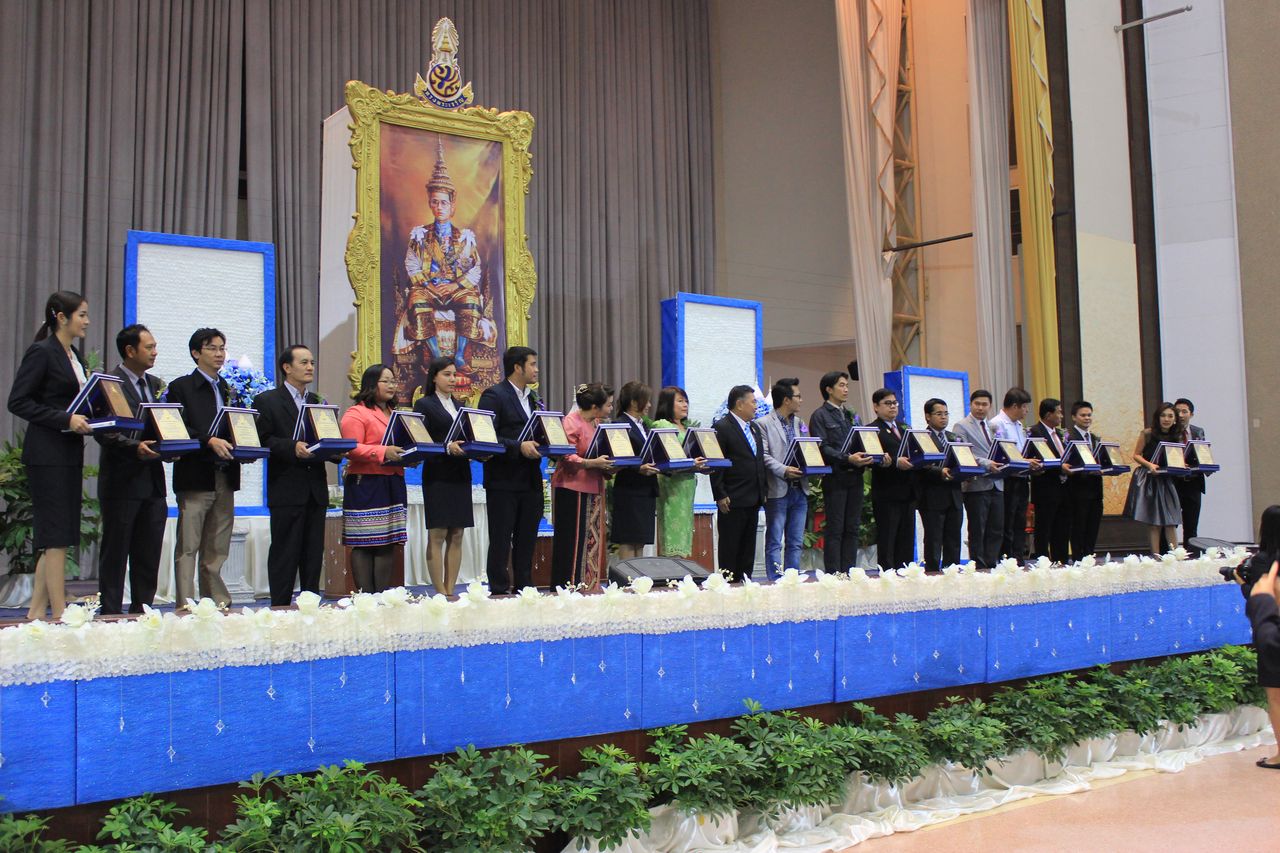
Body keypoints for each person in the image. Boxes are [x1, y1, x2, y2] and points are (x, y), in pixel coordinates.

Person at [7, 291, 92, 620]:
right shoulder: (42, 352)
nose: (86, 321)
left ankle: (34, 613)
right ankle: (60, 615)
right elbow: (18, 401)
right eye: (81, 315)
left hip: (69, 451)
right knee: (54, 534)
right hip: (47, 453)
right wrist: (65, 419)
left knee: (62, 534)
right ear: (61, 317)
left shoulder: (74, 356)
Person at [254, 345, 334, 607]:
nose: (310, 367)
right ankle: (279, 607)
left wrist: (336, 447)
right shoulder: (267, 400)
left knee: (313, 553)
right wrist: (292, 447)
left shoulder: (317, 402)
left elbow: (326, 437)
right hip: (286, 487)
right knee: (285, 552)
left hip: (315, 489)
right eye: (304, 362)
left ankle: (311, 606)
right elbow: (262, 439)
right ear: (287, 367)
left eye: (312, 362)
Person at [94, 324, 167, 615]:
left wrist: (173, 445)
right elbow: (103, 430)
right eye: (149, 347)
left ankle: (143, 610)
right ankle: (110, 613)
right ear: (130, 350)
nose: (155, 352)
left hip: (153, 481)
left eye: (154, 346)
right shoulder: (109, 383)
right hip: (121, 481)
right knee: (116, 551)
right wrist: (133, 447)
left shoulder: (156, 384)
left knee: (149, 551)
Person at [166, 328, 240, 608]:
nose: (219, 354)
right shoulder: (181, 387)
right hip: (195, 475)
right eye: (212, 348)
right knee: (189, 544)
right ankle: (185, 603)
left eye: (222, 348)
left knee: (218, 545)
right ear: (196, 353)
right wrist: (208, 440)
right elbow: (177, 427)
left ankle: (215, 601)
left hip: (225, 474)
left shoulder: (228, 388)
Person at [401, 139, 485, 370]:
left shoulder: (465, 237)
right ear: (430, 204)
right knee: (417, 300)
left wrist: (456, 286)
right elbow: (412, 264)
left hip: (454, 289)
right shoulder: (420, 235)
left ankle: (459, 355)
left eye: (443, 203)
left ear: (452, 205)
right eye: (435, 202)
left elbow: (475, 268)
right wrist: (428, 286)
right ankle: (436, 355)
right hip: (429, 288)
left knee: (470, 300)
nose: (439, 207)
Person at [477, 346, 544, 594]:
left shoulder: (534, 398)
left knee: (527, 536)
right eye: (532, 364)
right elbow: (484, 435)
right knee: (501, 537)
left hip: (531, 478)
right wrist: (518, 446)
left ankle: (524, 585)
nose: (536, 369)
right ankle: (499, 588)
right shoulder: (494, 395)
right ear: (517, 367)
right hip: (503, 479)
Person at [339, 364, 407, 593]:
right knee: (365, 542)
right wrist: (383, 452)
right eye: (385, 381)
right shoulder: (356, 413)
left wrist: (410, 455)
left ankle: (382, 597)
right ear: (371, 384)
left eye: (393, 381)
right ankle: (366, 598)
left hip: (393, 481)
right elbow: (351, 448)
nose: (391, 385)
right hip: (366, 483)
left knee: (387, 542)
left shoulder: (396, 413)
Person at [413, 356, 474, 595]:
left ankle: (451, 589)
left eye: (454, 374)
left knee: (457, 534)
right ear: (434, 377)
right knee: (437, 533)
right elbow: (420, 441)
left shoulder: (460, 406)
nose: (452, 379)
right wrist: (446, 447)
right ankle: (439, 591)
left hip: (460, 473)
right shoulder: (424, 405)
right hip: (437, 473)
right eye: (447, 374)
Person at [807, 371, 875, 572]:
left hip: (855, 476)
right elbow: (823, 447)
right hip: (836, 477)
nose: (846, 389)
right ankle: (834, 574)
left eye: (847, 386)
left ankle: (850, 571)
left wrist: (870, 455)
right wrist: (847, 458)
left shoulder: (851, 414)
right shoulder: (820, 415)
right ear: (829, 389)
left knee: (852, 527)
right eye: (841, 385)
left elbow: (861, 439)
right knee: (836, 528)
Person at [550, 383, 615, 590]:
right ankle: (567, 587)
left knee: (591, 540)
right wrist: (592, 463)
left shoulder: (596, 423)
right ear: (595, 407)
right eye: (608, 405)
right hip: (571, 488)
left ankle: (589, 585)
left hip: (593, 487)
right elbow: (565, 456)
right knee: (571, 541)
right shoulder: (571, 421)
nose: (611, 409)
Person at [710, 385, 766, 581]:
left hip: (753, 496)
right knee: (730, 547)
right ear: (740, 404)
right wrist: (720, 493)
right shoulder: (722, 427)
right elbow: (716, 463)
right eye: (753, 402)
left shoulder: (754, 428)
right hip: (732, 498)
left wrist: (763, 490)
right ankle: (729, 586)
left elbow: (758, 461)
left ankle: (745, 583)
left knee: (747, 548)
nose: (756, 406)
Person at [1239, 505, 1280, 769]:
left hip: (1274, 633)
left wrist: (1240, 582)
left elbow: (1257, 596)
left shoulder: (1262, 561)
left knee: (1276, 698)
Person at [758, 378, 808, 578]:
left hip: (800, 488)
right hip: (777, 488)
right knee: (775, 540)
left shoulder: (800, 423)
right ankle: (776, 580)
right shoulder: (763, 423)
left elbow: (807, 449)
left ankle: (792, 579)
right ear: (786, 400)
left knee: (796, 541)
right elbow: (763, 456)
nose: (801, 400)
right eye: (798, 396)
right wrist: (784, 469)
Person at [952, 389, 1006, 569]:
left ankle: (992, 563)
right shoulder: (961, 426)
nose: (981, 408)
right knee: (978, 528)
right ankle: (979, 565)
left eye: (984, 404)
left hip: (997, 483)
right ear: (971, 404)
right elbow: (963, 453)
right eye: (977, 404)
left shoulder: (993, 427)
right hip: (976, 484)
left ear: (990, 406)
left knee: (996, 528)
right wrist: (986, 463)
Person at [1122, 401, 1183, 556]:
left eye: (1170, 416)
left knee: (1170, 521)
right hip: (1150, 479)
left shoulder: (1177, 436)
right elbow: (1136, 455)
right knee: (1154, 522)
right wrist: (1149, 465)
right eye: (1163, 415)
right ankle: (1156, 557)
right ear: (1158, 417)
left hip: (1167, 480)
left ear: (1175, 419)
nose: (1166, 419)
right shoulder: (1147, 433)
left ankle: (1176, 557)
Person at [652, 386, 705, 559]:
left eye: (686, 401)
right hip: (672, 485)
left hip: (687, 484)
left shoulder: (686, 427)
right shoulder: (663, 425)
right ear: (667, 404)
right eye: (680, 401)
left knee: (684, 530)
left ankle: (680, 567)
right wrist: (691, 463)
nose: (685, 405)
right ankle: (671, 568)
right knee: (672, 529)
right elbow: (672, 456)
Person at [611, 381, 661, 560]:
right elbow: (618, 455)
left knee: (640, 541)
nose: (649, 405)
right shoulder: (619, 424)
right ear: (633, 402)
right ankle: (627, 576)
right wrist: (638, 468)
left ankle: (638, 577)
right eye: (646, 401)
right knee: (628, 539)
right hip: (629, 489)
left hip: (645, 489)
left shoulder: (643, 426)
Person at [868, 387, 916, 571]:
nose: (893, 407)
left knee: (906, 538)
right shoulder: (872, 429)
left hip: (908, 490)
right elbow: (871, 457)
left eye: (895, 403)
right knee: (888, 538)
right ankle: (887, 575)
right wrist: (895, 461)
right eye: (887, 403)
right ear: (876, 407)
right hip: (887, 492)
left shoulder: (905, 428)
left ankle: (906, 572)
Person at [990, 387, 1040, 561]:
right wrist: (1025, 461)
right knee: (1008, 521)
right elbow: (1003, 453)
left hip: (1022, 477)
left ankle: (1018, 557)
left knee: (1020, 520)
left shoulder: (1019, 425)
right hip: (1007, 479)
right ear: (1014, 406)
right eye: (1024, 407)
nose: (1027, 411)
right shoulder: (997, 424)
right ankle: (1007, 558)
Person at [916, 398, 963, 573]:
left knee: (953, 538)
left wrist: (968, 471)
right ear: (928, 416)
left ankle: (953, 572)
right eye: (939, 414)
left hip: (954, 495)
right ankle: (933, 573)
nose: (943, 417)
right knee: (934, 539)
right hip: (932, 496)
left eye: (946, 414)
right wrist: (939, 471)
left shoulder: (954, 438)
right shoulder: (922, 437)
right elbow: (919, 465)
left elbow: (962, 460)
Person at [1028, 398, 1071, 563]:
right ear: (1048, 414)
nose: (1061, 415)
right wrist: (1060, 466)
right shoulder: (1035, 432)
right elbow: (1038, 458)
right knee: (1044, 528)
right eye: (1058, 412)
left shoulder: (1060, 433)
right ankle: (1043, 563)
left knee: (1062, 527)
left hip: (1064, 487)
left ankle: (1061, 561)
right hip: (1045, 487)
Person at [1063, 400, 1106, 560]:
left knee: (1093, 526)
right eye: (1083, 415)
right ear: (1074, 417)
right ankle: (1078, 559)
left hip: (1095, 489)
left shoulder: (1094, 438)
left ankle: (1089, 557)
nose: (1087, 418)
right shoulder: (1068, 436)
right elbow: (1066, 461)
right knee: (1078, 526)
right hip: (1077, 488)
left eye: (1089, 415)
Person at [1173, 397, 1206, 550]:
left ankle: (1191, 556)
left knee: (1191, 525)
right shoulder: (1169, 432)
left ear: (1191, 414)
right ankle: (1170, 555)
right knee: (1171, 523)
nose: (1180, 415)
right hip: (1174, 483)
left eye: (1184, 411)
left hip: (1193, 482)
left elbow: (1202, 454)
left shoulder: (1198, 431)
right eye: (1177, 411)